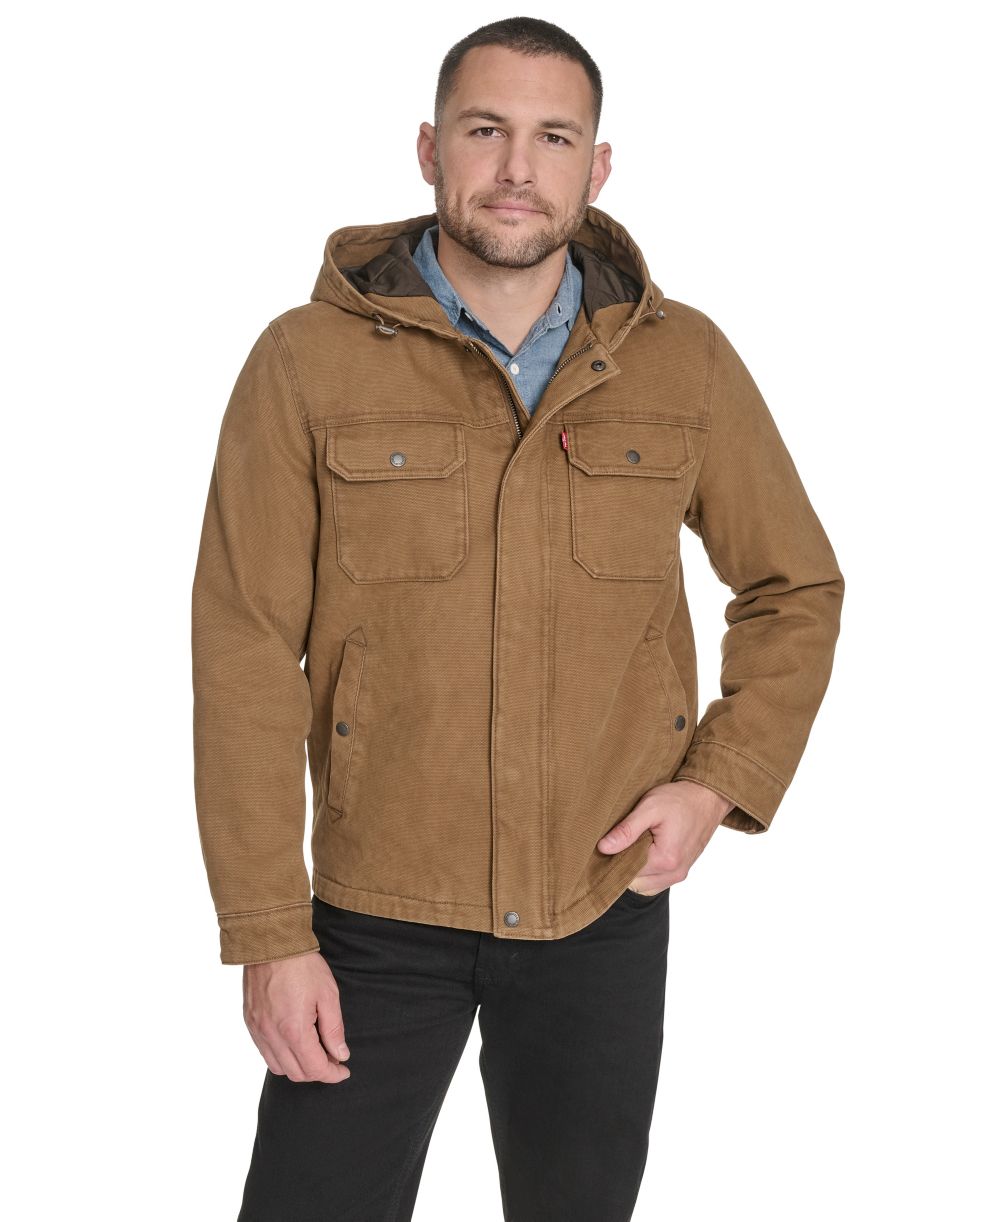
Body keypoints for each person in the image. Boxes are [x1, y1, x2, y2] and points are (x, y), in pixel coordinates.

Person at [191, 16, 845, 1222]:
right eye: (485, 130)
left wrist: (714, 786)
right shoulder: (304, 363)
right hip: (373, 919)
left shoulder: (684, 363)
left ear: (598, 167)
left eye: (553, 138)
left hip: (599, 903)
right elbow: (242, 649)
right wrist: (269, 932)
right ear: (429, 147)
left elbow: (793, 586)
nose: (515, 169)